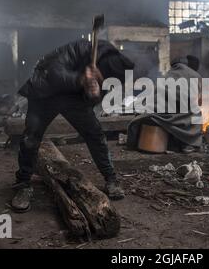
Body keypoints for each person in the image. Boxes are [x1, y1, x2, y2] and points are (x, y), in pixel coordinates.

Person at [11, 39, 135, 213]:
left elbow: (95, 98)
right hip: (45, 93)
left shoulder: (109, 72)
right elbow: (53, 72)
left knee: (95, 135)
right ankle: (23, 183)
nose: (101, 80)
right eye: (100, 77)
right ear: (99, 65)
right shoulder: (81, 48)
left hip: (74, 100)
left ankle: (111, 179)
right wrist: (81, 79)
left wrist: (94, 94)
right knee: (31, 137)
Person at [127, 55, 203, 154]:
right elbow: (198, 100)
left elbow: (151, 96)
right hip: (177, 117)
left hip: (157, 116)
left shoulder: (166, 76)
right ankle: (190, 144)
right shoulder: (195, 75)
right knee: (197, 115)